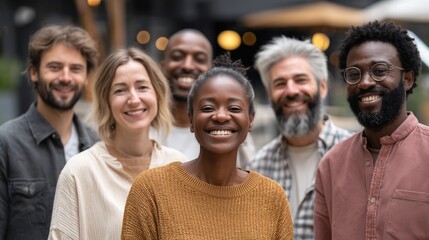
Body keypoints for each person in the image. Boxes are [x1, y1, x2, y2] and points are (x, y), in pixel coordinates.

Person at [121, 54, 294, 239]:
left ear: (250, 120)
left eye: (234, 108)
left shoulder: (272, 197)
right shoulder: (151, 190)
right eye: (207, 108)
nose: (220, 116)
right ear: (191, 119)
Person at [48, 47, 187, 239]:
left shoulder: (180, 166)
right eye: (120, 90)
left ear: (158, 94)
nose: (134, 99)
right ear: (107, 101)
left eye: (142, 87)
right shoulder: (79, 172)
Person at [314, 20, 429, 239]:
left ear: (407, 78)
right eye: (354, 74)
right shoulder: (331, 165)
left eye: (379, 70)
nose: (365, 82)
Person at [0, 25, 99, 240]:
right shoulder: (6, 143)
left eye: (75, 69)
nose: (65, 77)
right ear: (34, 72)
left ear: (86, 78)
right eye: (54, 67)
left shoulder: (98, 147)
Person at [247, 36, 351, 239]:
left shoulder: (354, 155)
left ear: (322, 87)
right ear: (270, 96)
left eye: (301, 80)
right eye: (280, 83)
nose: (291, 91)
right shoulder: (257, 167)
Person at [151, 28, 255, 167]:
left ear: (210, 69)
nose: (187, 66)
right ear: (162, 65)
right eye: (177, 57)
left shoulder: (230, 130)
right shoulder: (143, 127)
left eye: (199, 59)